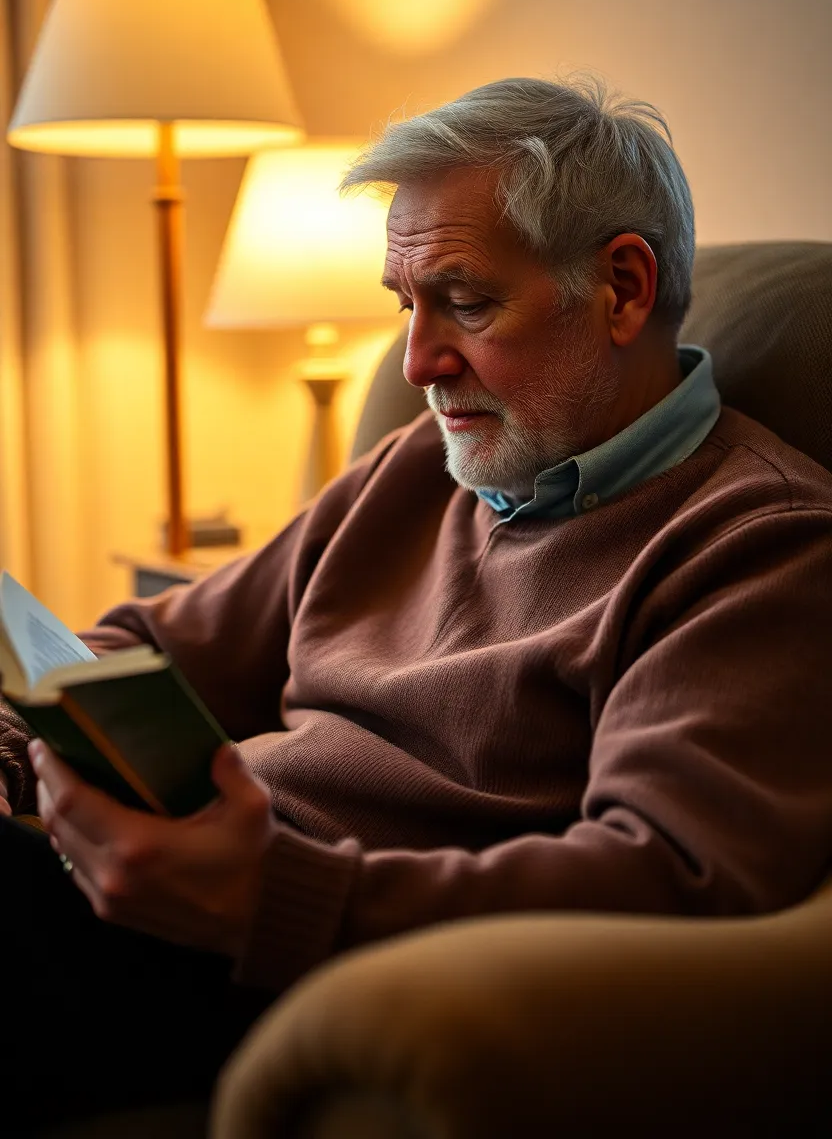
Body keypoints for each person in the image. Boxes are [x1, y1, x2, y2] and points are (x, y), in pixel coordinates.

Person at [2, 75, 832, 1128]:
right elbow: (141, 643)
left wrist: (268, 897)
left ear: (623, 289)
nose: (417, 362)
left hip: (301, 965)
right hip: (160, 896)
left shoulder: (760, 544)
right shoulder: (414, 470)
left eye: (467, 303)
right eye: (408, 305)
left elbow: (663, 878)